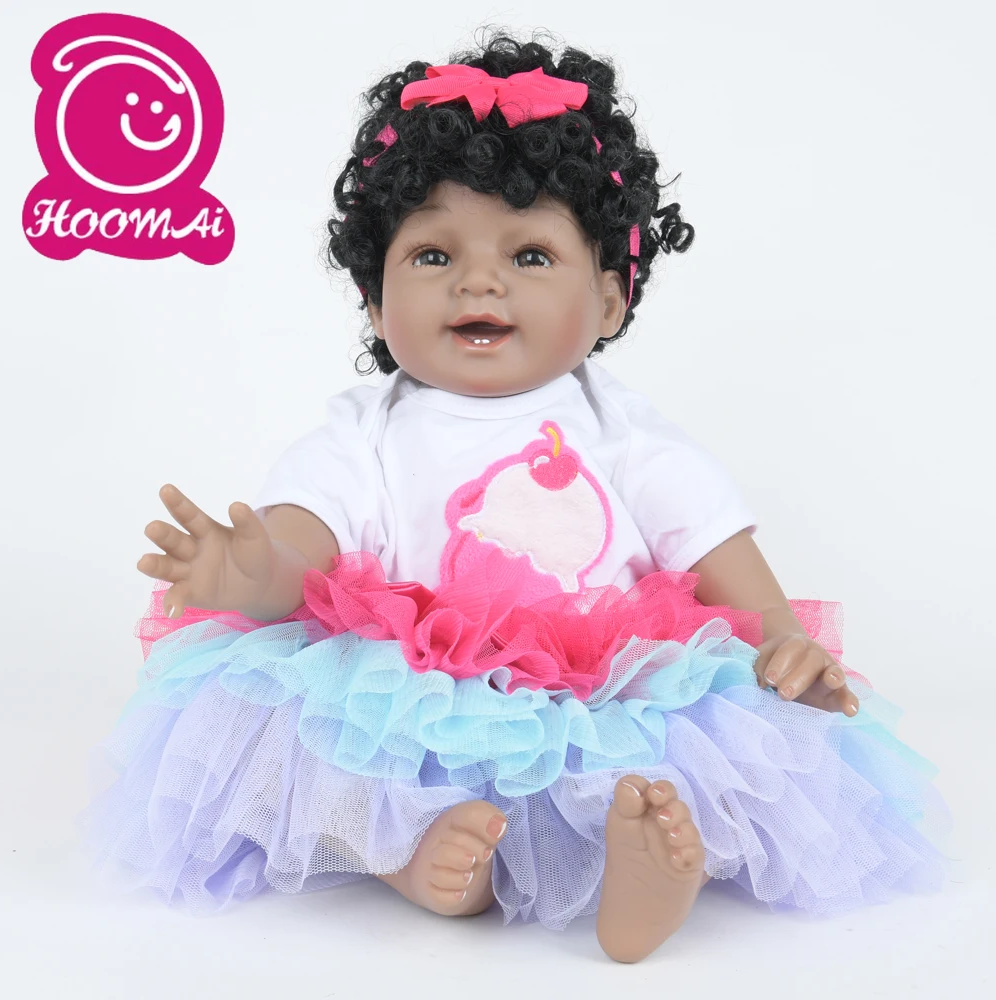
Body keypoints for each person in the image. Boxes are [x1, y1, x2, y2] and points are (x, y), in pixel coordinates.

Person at [79, 29, 953, 964]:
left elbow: (716, 554)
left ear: (610, 301)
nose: (479, 279)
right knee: (278, 711)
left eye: (530, 255)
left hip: (591, 701)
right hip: (408, 704)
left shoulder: (627, 437)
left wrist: (784, 642)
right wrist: (249, 571)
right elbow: (301, 542)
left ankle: (644, 864)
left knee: (696, 738)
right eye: (432, 255)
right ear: (375, 301)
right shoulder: (362, 433)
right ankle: (407, 852)